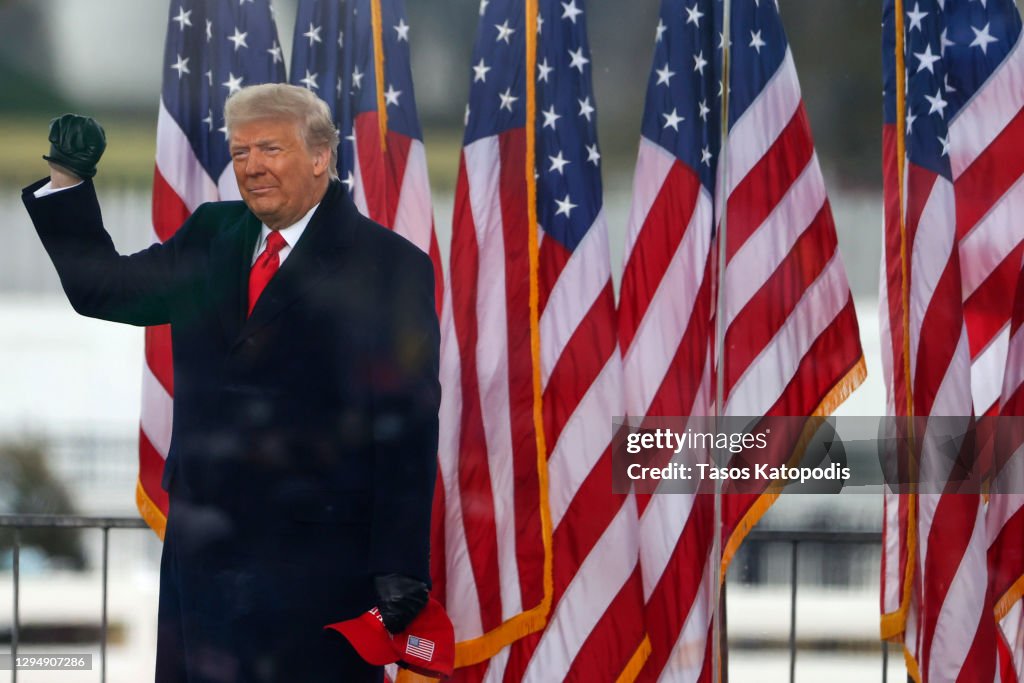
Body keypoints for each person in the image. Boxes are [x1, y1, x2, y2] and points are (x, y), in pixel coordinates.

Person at [21, 84, 441, 683]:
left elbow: (407, 426)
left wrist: (402, 568)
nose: (251, 167)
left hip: (319, 576)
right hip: (204, 566)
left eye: (269, 149)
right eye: (240, 153)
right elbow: (103, 290)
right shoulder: (211, 234)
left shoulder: (389, 265)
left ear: (320, 156)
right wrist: (69, 179)